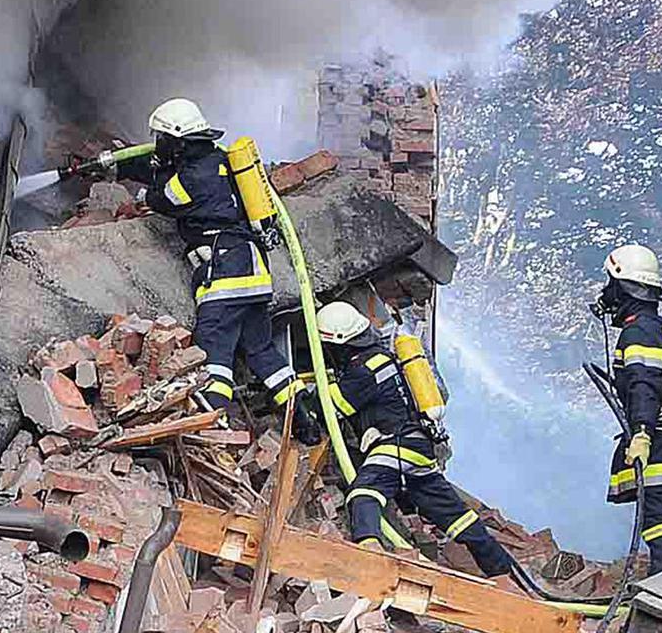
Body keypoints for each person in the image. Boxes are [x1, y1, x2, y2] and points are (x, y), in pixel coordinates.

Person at [115, 98, 321, 445]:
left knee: (213, 353)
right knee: (261, 352)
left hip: (225, 274)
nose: (158, 144)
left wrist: (138, 183)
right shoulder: (222, 162)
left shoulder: (191, 178)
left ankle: (213, 430)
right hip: (255, 273)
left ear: (177, 141)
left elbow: (161, 199)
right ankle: (304, 420)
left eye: (162, 138)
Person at [316, 301, 513, 579]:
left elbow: (332, 407)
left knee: (364, 494)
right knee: (457, 517)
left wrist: (314, 384)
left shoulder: (364, 369)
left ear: (338, 343)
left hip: (395, 445)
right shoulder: (382, 357)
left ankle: (370, 557)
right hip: (419, 446)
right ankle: (504, 571)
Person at [597, 244, 662, 575]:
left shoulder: (639, 331)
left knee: (658, 521)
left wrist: (641, 434)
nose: (607, 292)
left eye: (611, 284)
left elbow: (644, 385)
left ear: (624, 286)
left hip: (657, 439)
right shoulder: (658, 326)